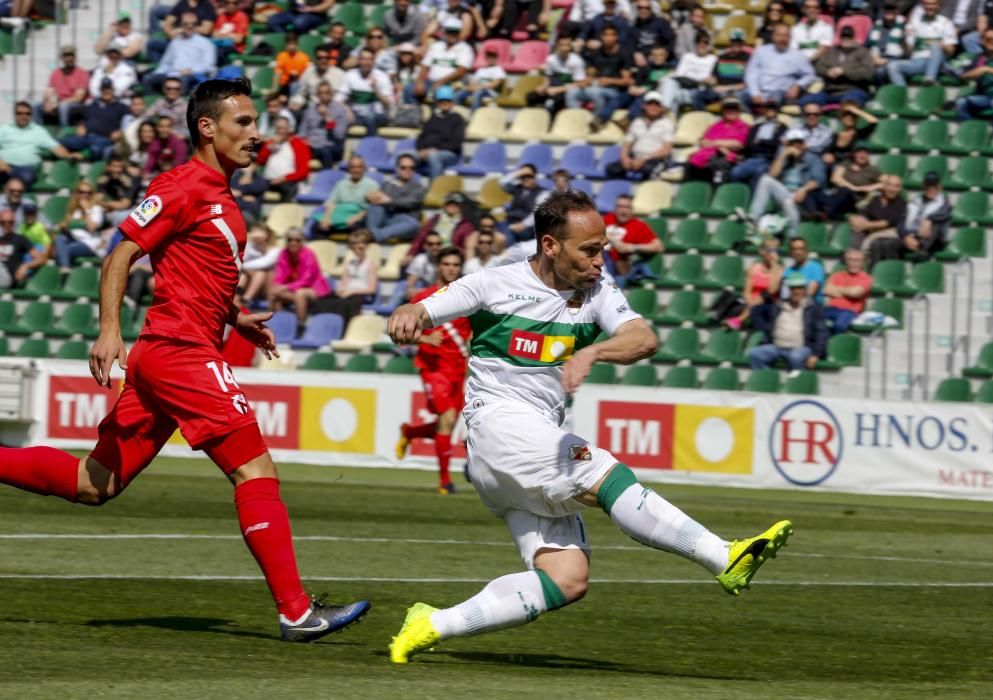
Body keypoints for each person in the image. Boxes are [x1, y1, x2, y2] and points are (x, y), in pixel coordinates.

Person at [1, 78, 373, 641]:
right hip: (178, 353)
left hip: (173, 353)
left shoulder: (219, 194)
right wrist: (109, 332)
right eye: (244, 123)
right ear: (207, 127)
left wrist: (233, 316)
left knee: (92, 483)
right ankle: (295, 611)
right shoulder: (182, 186)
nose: (256, 134)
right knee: (255, 469)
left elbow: (191, 274)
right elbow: (122, 252)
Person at [386, 189, 793, 664]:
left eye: (603, 248)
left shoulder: (598, 292)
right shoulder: (493, 285)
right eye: (590, 250)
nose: (601, 260)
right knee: (604, 473)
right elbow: (426, 307)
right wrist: (408, 312)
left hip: (523, 451)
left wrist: (594, 350)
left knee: (566, 579)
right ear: (550, 246)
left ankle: (432, 624)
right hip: (499, 426)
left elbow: (644, 338)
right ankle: (723, 557)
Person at [395, 246, 471, 495]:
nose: (451, 268)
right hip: (433, 367)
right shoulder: (424, 297)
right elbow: (398, 330)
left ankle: (411, 431)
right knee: (448, 420)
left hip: (458, 368)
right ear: (439, 266)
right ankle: (445, 482)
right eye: (446, 264)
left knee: (445, 424)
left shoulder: (468, 297)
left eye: (455, 264)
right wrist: (424, 340)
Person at [744, 129, 826, 238]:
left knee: (789, 202)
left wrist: (803, 189)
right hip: (784, 193)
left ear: (805, 144)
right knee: (765, 179)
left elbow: (818, 180)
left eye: (800, 142)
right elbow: (772, 174)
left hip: (801, 198)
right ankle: (754, 218)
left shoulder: (813, 158)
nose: (797, 146)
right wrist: (783, 155)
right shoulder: (784, 156)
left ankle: (792, 236)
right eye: (793, 143)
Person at [748, 272, 828, 370]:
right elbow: (768, 324)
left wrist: (816, 354)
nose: (796, 291)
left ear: (804, 289)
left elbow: (822, 332)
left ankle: (797, 382)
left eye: (800, 288)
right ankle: (769, 381)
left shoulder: (813, 308)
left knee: (796, 357)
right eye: (793, 288)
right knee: (755, 354)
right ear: (788, 290)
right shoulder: (778, 306)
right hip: (777, 346)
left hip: (802, 347)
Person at [567, 24, 634, 129]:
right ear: (601, 37)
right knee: (572, 92)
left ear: (616, 37)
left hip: (615, 91)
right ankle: (578, 121)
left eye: (612, 35)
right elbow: (591, 73)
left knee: (595, 92)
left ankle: (596, 120)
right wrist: (586, 81)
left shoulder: (623, 54)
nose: (609, 38)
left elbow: (627, 81)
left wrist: (610, 81)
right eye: (606, 35)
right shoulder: (597, 53)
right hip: (596, 85)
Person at [1, 101, 80, 190]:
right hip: (2, 166)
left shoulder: (38, 131)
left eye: (27, 114)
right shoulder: (4, 129)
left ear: (31, 115)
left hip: (24, 169)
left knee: (27, 176)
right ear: (15, 114)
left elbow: (55, 147)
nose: (23, 116)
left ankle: (8, 189)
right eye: (19, 113)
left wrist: (68, 155)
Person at [143, 12, 218, 95]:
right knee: (147, 79)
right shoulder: (175, 42)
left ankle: (181, 106)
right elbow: (165, 63)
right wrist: (156, 73)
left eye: (193, 24)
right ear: (180, 25)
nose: (189, 26)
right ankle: (151, 103)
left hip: (192, 75)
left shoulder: (206, 43)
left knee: (182, 81)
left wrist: (191, 70)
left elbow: (209, 66)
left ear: (197, 25)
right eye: (186, 24)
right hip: (171, 73)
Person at [744, 23, 816, 108]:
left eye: (786, 36)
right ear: (773, 37)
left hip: (780, 93)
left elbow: (810, 74)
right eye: (780, 35)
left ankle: (767, 115)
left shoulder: (797, 55)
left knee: (774, 100)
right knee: (737, 98)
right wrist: (755, 93)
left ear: (790, 38)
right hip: (759, 91)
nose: (783, 39)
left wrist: (798, 85)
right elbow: (751, 74)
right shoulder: (761, 51)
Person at [604, 91, 673, 180]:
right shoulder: (637, 122)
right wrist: (625, 159)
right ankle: (622, 191)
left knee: (648, 170)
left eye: (656, 104)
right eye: (649, 103)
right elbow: (626, 145)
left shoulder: (666, 124)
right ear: (644, 106)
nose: (653, 107)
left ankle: (645, 192)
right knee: (611, 169)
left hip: (655, 159)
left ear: (661, 107)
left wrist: (644, 159)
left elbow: (666, 150)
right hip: (635, 157)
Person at [803, 143, 881, 221]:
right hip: (836, 197)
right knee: (811, 192)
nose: (862, 155)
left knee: (845, 191)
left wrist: (870, 187)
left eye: (865, 153)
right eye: (859, 152)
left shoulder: (872, 169)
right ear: (854, 154)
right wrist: (854, 187)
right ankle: (813, 213)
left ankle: (827, 214)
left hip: (853, 201)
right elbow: (835, 178)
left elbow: (886, 182)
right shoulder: (846, 164)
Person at [887, 0, 956, 86]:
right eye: (927, 4)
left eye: (933, 4)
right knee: (892, 66)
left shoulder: (946, 23)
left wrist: (940, 44)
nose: (930, 7)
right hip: (918, 61)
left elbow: (951, 51)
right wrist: (904, 41)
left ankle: (930, 78)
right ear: (923, 5)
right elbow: (909, 49)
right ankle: (902, 92)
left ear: (938, 5)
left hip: (938, 61)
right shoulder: (914, 22)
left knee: (935, 46)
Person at [60, 80, 130, 163]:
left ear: (113, 90)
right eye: (103, 89)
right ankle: (66, 156)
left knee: (96, 149)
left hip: (104, 138)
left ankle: (81, 156)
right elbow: (83, 119)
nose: (106, 91)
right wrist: (81, 125)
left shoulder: (122, 107)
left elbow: (129, 123)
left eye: (108, 88)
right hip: (86, 136)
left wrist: (120, 132)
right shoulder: (92, 104)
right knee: (63, 141)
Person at [803, 25, 874, 106]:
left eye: (849, 37)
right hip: (830, 92)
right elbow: (819, 67)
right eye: (843, 37)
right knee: (806, 102)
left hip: (853, 90)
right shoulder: (832, 51)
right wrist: (827, 72)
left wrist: (844, 71)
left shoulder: (862, 52)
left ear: (854, 38)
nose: (846, 39)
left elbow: (868, 73)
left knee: (849, 104)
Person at [603, 193, 662, 286]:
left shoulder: (638, 226)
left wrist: (632, 247)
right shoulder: (608, 219)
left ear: (632, 209)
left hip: (617, 265)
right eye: (619, 206)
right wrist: (612, 239)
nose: (623, 210)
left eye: (627, 207)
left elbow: (658, 246)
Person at [408, 19, 474, 102]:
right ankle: (413, 112)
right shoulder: (436, 46)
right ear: (445, 32)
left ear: (459, 33)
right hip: (431, 82)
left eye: (455, 32)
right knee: (409, 89)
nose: (452, 35)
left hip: (452, 84)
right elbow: (425, 66)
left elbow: (461, 71)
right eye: (450, 32)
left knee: (441, 92)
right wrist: (420, 81)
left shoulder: (465, 48)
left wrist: (441, 82)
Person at [684, 97, 748, 183]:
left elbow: (738, 144)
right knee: (690, 162)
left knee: (718, 164)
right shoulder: (716, 125)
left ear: (738, 111)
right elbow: (704, 141)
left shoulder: (743, 126)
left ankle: (716, 192)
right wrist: (718, 145)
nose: (731, 111)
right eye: (727, 108)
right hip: (709, 154)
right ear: (722, 111)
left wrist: (715, 143)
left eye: (734, 108)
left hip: (728, 157)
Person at [365, 153, 427, 243]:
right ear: (397, 168)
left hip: (404, 221)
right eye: (403, 167)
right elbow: (378, 197)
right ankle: (374, 233)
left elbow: (409, 203)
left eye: (411, 168)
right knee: (374, 206)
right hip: (387, 218)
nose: (408, 170)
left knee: (414, 225)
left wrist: (389, 200)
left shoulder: (419, 188)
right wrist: (368, 196)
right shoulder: (388, 183)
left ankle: (373, 235)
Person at [337, 48, 395, 136]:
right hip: (357, 115)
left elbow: (389, 104)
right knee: (340, 117)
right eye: (364, 59)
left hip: (379, 115)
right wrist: (347, 110)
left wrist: (376, 90)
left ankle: (371, 148)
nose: (366, 62)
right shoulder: (350, 75)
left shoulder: (382, 77)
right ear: (359, 61)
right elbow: (338, 99)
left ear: (373, 61)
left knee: (370, 117)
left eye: (369, 59)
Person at [730, 99, 786, 189]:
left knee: (758, 173)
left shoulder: (782, 127)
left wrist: (760, 141)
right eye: (768, 108)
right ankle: (740, 197)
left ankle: (754, 201)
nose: (770, 110)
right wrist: (766, 143)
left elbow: (775, 145)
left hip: (769, 159)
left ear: (777, 110)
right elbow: (749, 144)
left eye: (773, 108)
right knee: (735, 172)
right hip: (753, 157)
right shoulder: (756, 127)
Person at [849, 174, 908, 259]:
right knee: (856, 227)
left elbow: (886, 223)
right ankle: (853, 252)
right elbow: (866, 213)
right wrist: (855, 219)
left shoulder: (901, 204)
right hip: (871, 229)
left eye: (896, 186)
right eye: (889, 185)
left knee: (876, 243)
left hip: (887, 233)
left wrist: (865, 225)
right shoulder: (875, 199)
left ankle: (859, 257)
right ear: (884, 186)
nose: (892, 189)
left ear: (900, 189)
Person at [498, 164, 550, 260]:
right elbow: (502, 183)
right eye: (523, 176)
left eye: (529, 176)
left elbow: (537, 212)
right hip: (510, 221)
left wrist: (523, 224)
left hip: (527, 227)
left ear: (535, 177)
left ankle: (510, 259)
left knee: (508, 233)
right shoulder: (517, 189)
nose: (525, 179)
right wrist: (518, 172)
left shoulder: (543, 193)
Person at [316, 155, 379, 234]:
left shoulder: (372, 185)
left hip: (358, 215)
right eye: (353, 167)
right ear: (348, 169)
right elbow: (332, 202)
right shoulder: (341, 184)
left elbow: (373, 207)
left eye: (359, 167)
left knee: (358, 228)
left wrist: (358, 217)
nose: (356, 170)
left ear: (364, 168)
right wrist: (327, 217)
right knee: (318, 225)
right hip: (339, 213)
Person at [54, 182, 108, 271]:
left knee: (62, 251)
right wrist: (64, 225)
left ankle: (65, 268)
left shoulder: (96, 209)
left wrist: (86, 210)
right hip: (74, 239)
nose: (85, 195)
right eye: (82, 192)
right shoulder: (74, 210)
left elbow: (92, 227)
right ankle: (65, 268)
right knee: (59, 238)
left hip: (89, 243)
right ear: (77, 193)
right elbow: (69, 227)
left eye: (89, 193)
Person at [658, 29, 717, 112]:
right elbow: (679, 75)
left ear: (709, 45)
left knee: (674, 95)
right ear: (695, 43)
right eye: (699, 41)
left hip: (699, 90)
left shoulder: (713, 59)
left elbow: (710, 79)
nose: (702, 44)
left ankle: (664, 113)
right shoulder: (687, 56)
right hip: (684, 87)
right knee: (670, 84)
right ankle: (666, 112)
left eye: (705, 42)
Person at [255, 116, 311, 202]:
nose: (280, 131)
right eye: (278, 128)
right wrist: (269, 148)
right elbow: (260, 161)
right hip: (268, 179)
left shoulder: (299, 144)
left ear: (289, 129)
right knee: (253, 186)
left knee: (288, 188)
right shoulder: (271, 142)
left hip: (288, 180)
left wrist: (284, 178)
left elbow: (303, 171)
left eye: (283, 128)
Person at [415, 86, 466, 179]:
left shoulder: (457, 119)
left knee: (434, 156)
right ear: (438, 103)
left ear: (452, 103)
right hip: (426, 152)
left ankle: (433, 190)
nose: (444, 103)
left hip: (449, 154)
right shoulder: (433, 118)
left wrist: (435, 149)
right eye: (441, 101)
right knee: (406, 157)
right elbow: (421, 137)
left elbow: (457, 143)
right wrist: (421, 150)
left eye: (447, 101)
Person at [35, 45, 89, 127]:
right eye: (66, 56)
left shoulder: (82, 73)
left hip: (74, 104)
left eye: (71, 55)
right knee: (36, 106)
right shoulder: (56, 73)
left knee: (64, 107)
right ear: (62, 58)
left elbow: (78, 98)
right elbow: (49, 91)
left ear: (75, 57)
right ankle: (38, 131)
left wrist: (59, 103)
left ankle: (63, 131)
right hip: (58, 102)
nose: (69, 58)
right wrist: (47, 102)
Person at [532, 35, 588, 115]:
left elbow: (580, 83)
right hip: (552, 87)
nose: (564, 48)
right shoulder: (551, 59)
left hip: (567, 89)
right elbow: (548, 77)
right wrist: (543, 87)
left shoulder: (577, 61)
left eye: (567, 45)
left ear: (570, 47)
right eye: (562, 45)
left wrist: (558, 89)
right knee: (532, 96)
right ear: (557, 46)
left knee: (552, 102)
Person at [298, 81, 349, 168]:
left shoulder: (340, 110)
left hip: (331, 146)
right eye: (320, 93)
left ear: (332, 94)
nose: (323, 95)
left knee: (326, 151)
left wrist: (328, 118)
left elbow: (339, 135)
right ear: (317, 95)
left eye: (326, 93)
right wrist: (303, 139)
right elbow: (302, 130)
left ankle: (327, 178)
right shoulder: (310, 110)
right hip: (312, 145)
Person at [824, 248, 872, 334]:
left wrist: (837, 290)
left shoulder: (866, 278)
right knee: (814, 319)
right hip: (832, 308)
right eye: (851, 260)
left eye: (858, 260)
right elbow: (827, 290)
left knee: (840, 325)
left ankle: (834, 345)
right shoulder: (837, 275)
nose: (854, 263)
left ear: (863, 262)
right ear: (846, 261)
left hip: (850, 311)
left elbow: (855, 293)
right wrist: (849, 292)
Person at [238, 224, 281, 308]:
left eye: (257, 232)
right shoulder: (252, 248)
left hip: (268, 287)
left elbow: (263, 263)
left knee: (261, 272)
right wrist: (248, 241)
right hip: (250, 283)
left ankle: (245, 299)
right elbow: (242, 258)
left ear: (266, 236)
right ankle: (237, 297)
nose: (254, 234)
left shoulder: (276, 251)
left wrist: (242, 266)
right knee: (244, 274)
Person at [955, 28, 993, 120]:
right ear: (982, 41)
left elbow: (985, 69)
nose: (991, 42)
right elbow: (963, 75)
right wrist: (974, 73)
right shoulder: (979, 58)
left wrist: (987, 69)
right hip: (985, 97)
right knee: (961, 103)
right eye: (988, 39)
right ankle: (970, 131)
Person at [456, 46, 507, 111]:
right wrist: (471, 87)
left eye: (493, 56)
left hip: (490, 92)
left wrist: (479, 87)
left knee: (477, 93)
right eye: (489, 56)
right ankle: (458, 114)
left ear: (496, 58)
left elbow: (494, 84)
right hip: (478, 89)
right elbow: (473, 82)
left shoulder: (499, 69)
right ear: (486, 57)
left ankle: (474, 116)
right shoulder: (481, 69)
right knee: (459, 94)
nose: (490, 58)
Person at [97, 155, 138, 228]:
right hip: (110, 210)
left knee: (119, 216)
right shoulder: (104, 179)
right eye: (114, 166)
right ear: (108, 167)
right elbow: (97, 200)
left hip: (129, 211)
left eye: (120, 167)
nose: (117, 170)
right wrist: (108, 205)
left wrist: (105, 204)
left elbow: (124, 205)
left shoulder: (129, 180)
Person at [782, 236, 825, 303]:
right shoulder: (788, 271)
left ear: (806, 250)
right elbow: (784, 295)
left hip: (810, 307)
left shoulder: (816, 268)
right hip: (790, 306)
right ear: (790, 252)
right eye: (795, 249)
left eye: (801, 249)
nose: (798, 252)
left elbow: (810, 293)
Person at [0, 208, 34, 289]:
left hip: (9, 278)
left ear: (14, 223)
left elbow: (40, 258)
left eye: (10, 222)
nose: (7, 225)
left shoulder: (20, 239)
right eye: (3, 222)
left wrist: (26, 266)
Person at [274, 33, 311, 98]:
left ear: (297, 45)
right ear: (286, 45)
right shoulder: (282, 56)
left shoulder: (304, 57)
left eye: (294, 44)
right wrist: (274, 88)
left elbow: (307, 74)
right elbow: (277, 72)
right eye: (290, 44)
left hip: (300, 85)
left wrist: (298, 75)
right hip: (285, 85)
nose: (292, 46)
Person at [266, 0, 335, 34]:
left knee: (299, 23)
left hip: (315, 14)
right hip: (295, 12)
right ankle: (287, 42)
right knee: (273, 21)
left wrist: (311, 9)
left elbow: (329, 3)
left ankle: (298, 44)